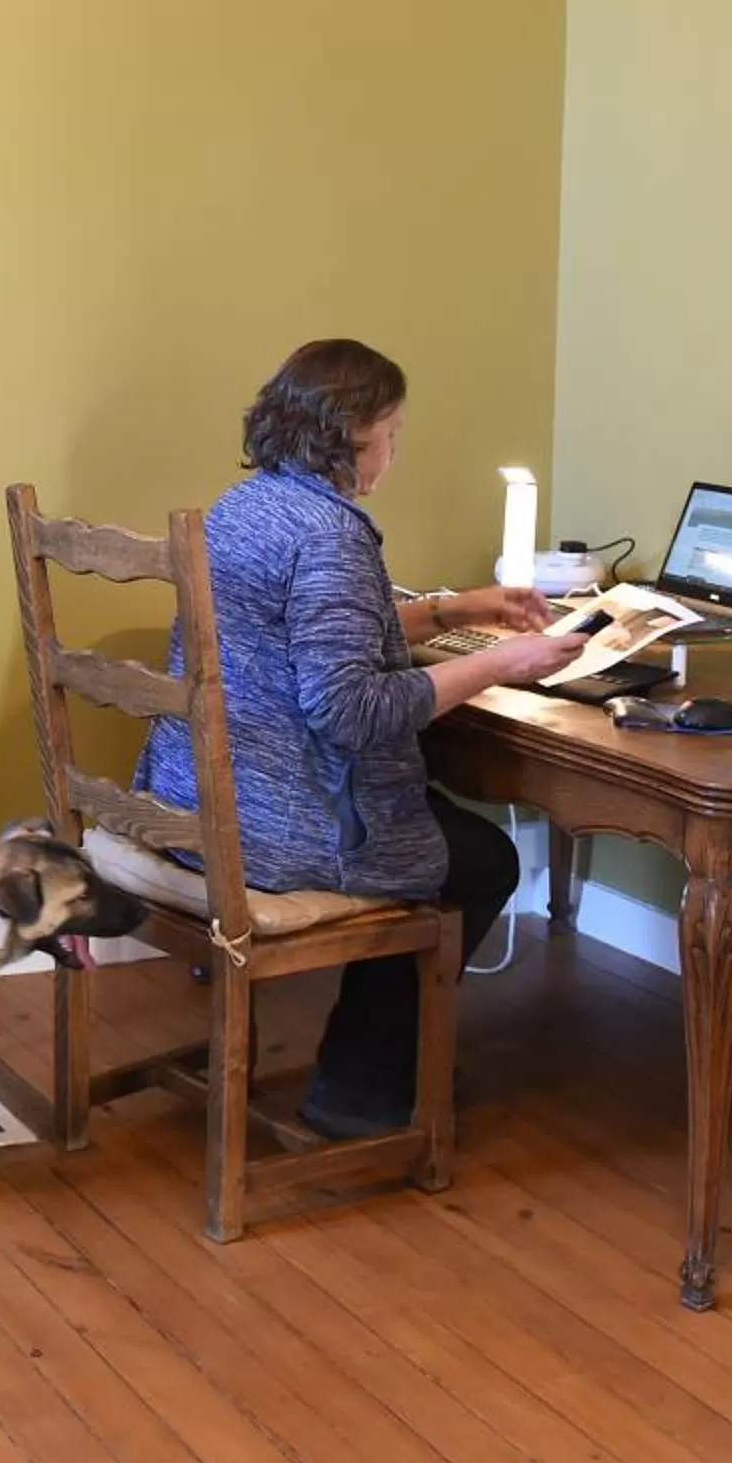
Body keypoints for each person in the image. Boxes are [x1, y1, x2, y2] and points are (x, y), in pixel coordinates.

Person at [133, 337, 583, 1139]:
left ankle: (369, 1070)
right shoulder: (332, 535)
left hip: (197, 798)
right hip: (280, 829)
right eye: (393, 431)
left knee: (439, 829)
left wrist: (455, 612)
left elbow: (311, 630)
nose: (396, 449)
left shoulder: (249, 505)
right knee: (483, 859)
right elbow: (351, 710)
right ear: (351, 433)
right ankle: (361, 1087)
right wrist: (504, 664)